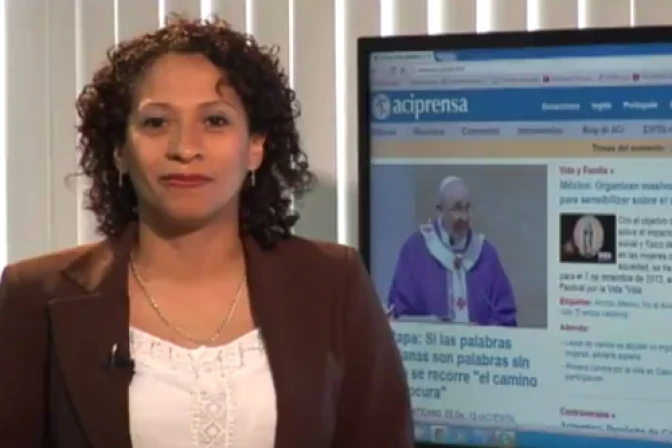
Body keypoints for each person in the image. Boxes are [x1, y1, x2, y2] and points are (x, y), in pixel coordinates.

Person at [0, 16, 413, 448]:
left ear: (256, 146)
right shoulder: (36, 296)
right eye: (156, 122)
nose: (185, 148)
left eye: (215, 121)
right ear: (119, 149)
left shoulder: (334, 281)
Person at [388, 176, 517, 326]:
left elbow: (504, 315)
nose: (464, 217)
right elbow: (401, 313)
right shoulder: (415, 251)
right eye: (457, 208)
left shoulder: (485, 254)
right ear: (440, 210)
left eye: (467, 208)